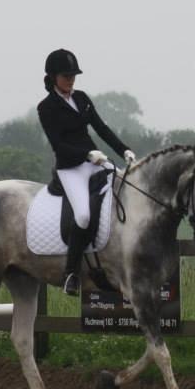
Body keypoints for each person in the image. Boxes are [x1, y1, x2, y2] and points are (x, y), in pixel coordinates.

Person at [37, 48, 136, 295]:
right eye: (66, 75)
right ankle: (71, 273)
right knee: (82, 216)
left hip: (95, 162)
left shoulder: (81, 98)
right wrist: (86, 155)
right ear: (53, 77)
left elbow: (101, 128)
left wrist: (124, 150)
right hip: (71, 168)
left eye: (73, 75)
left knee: (127, 189)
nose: (71, 79)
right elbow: (58, 144)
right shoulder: (46, 107)